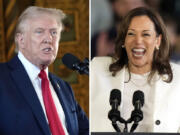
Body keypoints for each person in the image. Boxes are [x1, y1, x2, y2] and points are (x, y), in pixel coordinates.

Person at [0, 6, 89, 135]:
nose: (49, 39)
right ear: (21, 40)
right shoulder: (3, 78)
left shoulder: (64, 87)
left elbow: (84, 130)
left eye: (54, 32)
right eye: (39, 32)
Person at [91, 7, 180, 132]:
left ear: (157, 41)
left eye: (146, 34)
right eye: (131, 33)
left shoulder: (178, 78)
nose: (138, 41)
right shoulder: (97, 69)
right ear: (123, 40)